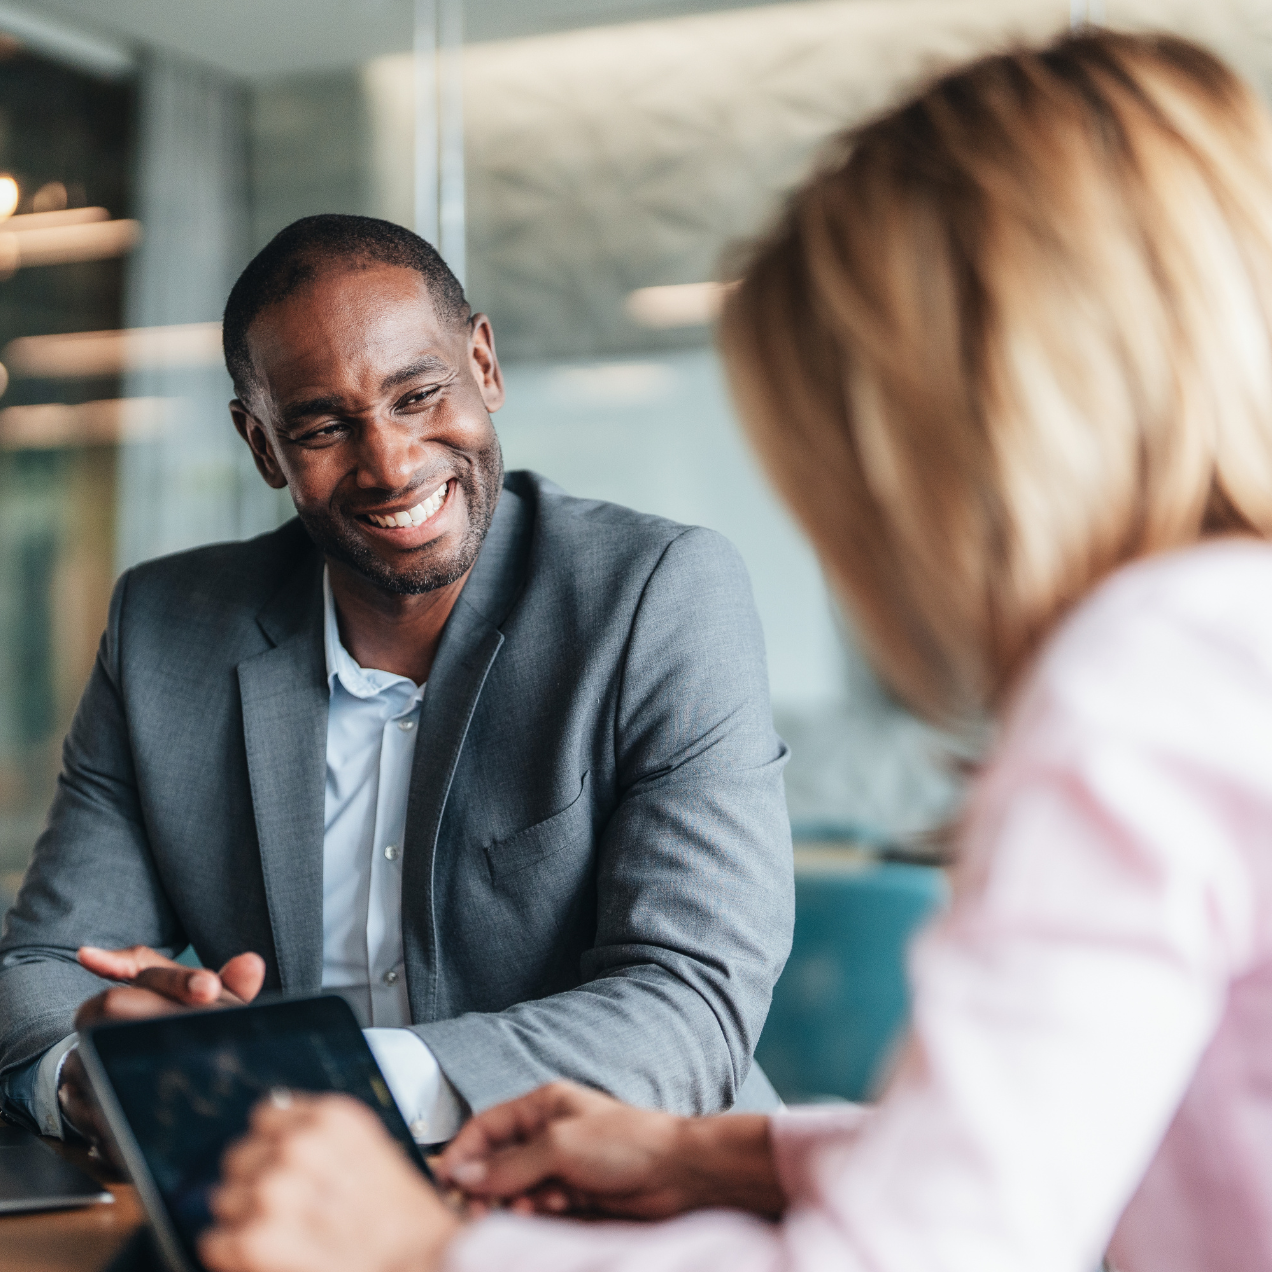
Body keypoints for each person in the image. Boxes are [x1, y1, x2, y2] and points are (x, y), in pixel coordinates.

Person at [196, 30, 1272, 1272]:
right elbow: (1062, 1153)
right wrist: (728, 1156)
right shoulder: (1225, 637)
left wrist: (424, 1252)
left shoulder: (1148, 675)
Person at [0, 214, 794, 1147]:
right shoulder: (166, 632)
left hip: (623, 1190)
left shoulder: (657, 595)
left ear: (483, 366)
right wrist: (94, 1078)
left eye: (418, 395)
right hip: (288, 1195)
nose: (391, 464)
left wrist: (313, 1084)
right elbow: (41, 970)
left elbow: (691, 1005)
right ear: (262, 447)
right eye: (324, 428)